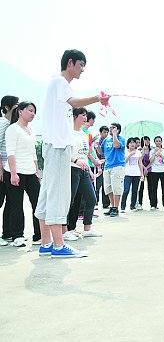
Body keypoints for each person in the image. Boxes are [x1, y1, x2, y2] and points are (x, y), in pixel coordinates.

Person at [35, 49, 110, 258]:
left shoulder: (57, 85)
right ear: (70, 63)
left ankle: (46, 244)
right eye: (81, 65)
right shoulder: (60, 83)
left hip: (54, 146)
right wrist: (97, 98)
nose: (83, 70)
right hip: (57, 147)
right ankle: (59, 247)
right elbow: (74, 102)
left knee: (47, 194)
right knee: (58, 195)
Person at [4, 101, 41, 247]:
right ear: (20, 111)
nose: (33, 114)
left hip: (30, 172)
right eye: (30, 110)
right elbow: (10, 153)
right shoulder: (13, 129)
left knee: (38, 203)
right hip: (15, 172)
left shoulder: (31, 129)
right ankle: (17, 236)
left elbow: (33, 153)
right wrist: (13, 173)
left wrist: (36, 171)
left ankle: (39, 235)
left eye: (34, 111)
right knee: (16, 204)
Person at [66, 107, 101, 239]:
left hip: (84, 170)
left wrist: (90, 171)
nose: (85, 118)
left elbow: (85, 154)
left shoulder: (83, 133)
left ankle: (87, 228)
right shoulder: (68, 132)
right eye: (82, 115)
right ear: (74, 116)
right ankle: (67, 230)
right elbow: (63, 153)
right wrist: (75, 161)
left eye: (86, 115)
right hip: (72, 168)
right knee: (70, 200)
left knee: (91, 198)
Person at [0, 95, 19, 243]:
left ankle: (7, 233)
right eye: (16, 104)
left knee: (10, 202)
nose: (18, 107)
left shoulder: (12, 124)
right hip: (2, 168)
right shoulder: (3, 123)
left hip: (8, 168)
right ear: (7, 107)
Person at [99, 122, 126, 217]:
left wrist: (115, 134)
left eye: (113, 128)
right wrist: (96, 144)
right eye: (110, 128)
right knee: (108, 187)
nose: (110, 129)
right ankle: (112, 206)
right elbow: (101, 151)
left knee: (116, 187)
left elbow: (116, 146)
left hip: (118, 165)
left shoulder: (121, 139)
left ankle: (116, 207)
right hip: (107, 166)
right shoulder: (106, 140)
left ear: (118, 129)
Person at [121, 137, 144, 213]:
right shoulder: (125, 152)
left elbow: (140, 163)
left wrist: (142, 174)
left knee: (135, 190)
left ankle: (133, 205)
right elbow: (124, 162)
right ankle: (122, 207)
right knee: (126, 190)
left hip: (136, 174)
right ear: (128, 144)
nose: (132, 144)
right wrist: (130, 155)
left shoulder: (138, 152)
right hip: (127, 173)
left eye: (134, 143)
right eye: (130, 143)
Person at [148, 136, 164, 210]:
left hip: (163, 171)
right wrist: (154, 153)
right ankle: (153, 205)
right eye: (157, 141)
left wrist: (161, 155)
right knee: (154, 189)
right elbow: (150, 161)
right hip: (154, 171)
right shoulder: (152, 151)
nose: (158, 142)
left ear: (162, 142)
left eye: (159, 141)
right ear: (155, 142)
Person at [93, 125, 110, 209]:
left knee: (106, 185)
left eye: (107, 132)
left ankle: (106, 203)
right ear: (100, 132)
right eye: (104, 132)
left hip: (107, 166)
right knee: (97, 185)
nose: (106, 134)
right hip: (98, 165)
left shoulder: (108, 141)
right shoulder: (97, 141)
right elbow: (99, 153)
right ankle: (95, 203)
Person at [137, 135, 151, 209]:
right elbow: (139, 160)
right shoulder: (139, 150)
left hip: (150, 170)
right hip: (141, 170)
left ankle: (152, 204)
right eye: (145, 140)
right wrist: (144, 168)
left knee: (150, 187)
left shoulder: (151, 150)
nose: (147, 142)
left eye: (148, 140)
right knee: (140, 187)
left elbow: (152, 161)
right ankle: (139, 203)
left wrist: (147, 168)